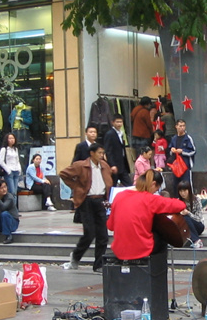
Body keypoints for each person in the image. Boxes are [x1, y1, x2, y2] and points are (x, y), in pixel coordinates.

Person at [107, 169, 186, 260]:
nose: (154, 193)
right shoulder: (150, 199)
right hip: (141, 249)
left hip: (119, 250)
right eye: (156, 190)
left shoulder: (119, 196)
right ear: (153, 184)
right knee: (162, 238)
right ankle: (159, 268)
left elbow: (110, 226)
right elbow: (180, 205)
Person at [59, 143, 112, 272]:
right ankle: (76, 257)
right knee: (89, 233)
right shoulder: (81, 165)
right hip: (86, 201)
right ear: (92, 153)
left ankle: (99, 264)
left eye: (103, 153)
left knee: (103, 235)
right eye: (99, 153)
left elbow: (109, 180)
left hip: (100, 200)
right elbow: (63, 174)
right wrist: (76, 187)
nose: (101, 155)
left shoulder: (104, 166)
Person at [167, 119, 196, 197]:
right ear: (176, 126)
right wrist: (172, 150)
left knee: (187, 185)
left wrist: (182, 151)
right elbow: (169, 151)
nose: (182, 128)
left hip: (185, 167)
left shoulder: (188, 138)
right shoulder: (174, 138)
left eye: (183, 126)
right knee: (176, 186)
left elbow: (193, 151)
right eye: (180, 126)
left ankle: (190, 201)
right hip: (176, 167)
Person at [104, 114, 132, 187]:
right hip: (115, 165)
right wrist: (112, 164)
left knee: (129, 184)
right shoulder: (110, 134)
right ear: (112, 122)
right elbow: (108, 151)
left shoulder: (121, 133)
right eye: (117, 122)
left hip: (122, 164)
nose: (119, 124)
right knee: (112, 185)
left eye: (121, 122)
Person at [177, 181, 205, 249]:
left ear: (189, 190)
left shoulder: (196, 200)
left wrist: (188, 213)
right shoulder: (178, 201)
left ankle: (196, 240)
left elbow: (199, 218)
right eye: (181, 191)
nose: (183, 193)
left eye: (185, 191)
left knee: (186, 217)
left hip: (198, 225)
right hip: (184, 227)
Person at [0, 132, 22, 205]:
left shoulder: (15, 149)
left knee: (15, 191)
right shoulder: (4, 149)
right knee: (11, 191)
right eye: (10, 138)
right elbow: (1, 161)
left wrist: (19, 169)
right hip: (9, 171)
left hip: (16, 171)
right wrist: (8, 170)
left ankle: (14, 208)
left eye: (13, 138)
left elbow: (17, 160)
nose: (12, 140)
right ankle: (11, 207)